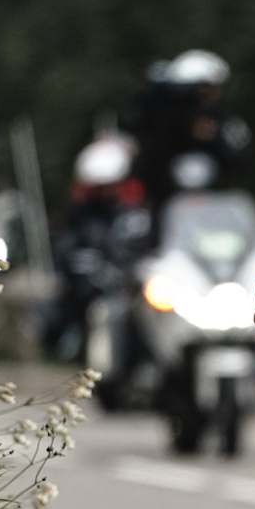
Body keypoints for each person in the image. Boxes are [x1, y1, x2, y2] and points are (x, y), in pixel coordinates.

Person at [43, 131, 151, 359]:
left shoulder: (134, 213)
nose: (104, 190)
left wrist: (123, 271)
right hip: (89, 291)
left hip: (126, 287)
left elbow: (141, 249)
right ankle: (71, 341)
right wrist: (79, 262)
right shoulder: (81, 214)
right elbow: (66, 247)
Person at [131, 49, 251, 213]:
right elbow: (147, 163)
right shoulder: (159, 122)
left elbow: (239, 162)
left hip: (214, 205)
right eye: (198, 88)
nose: (205, 94)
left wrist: (215, 140)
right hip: (168, 207)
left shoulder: (223, 122)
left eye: (210, 88)